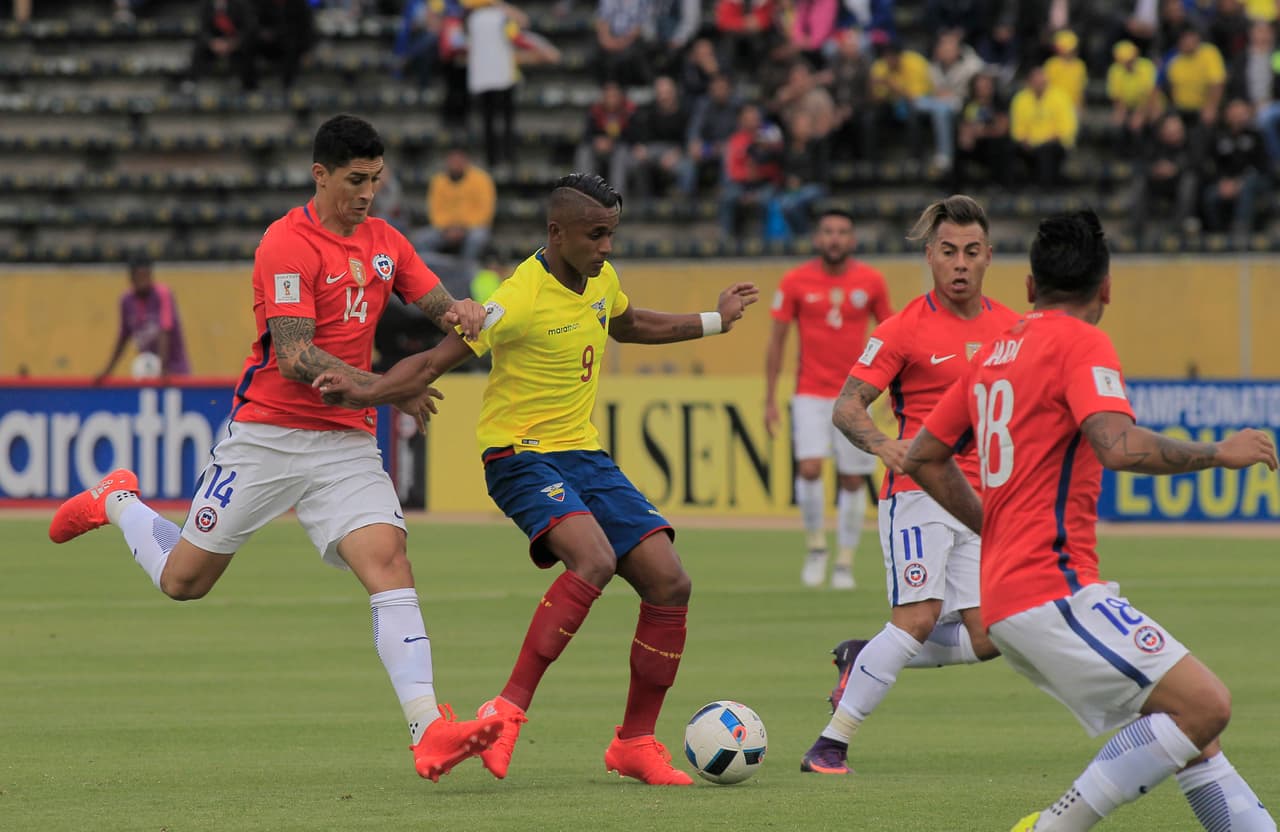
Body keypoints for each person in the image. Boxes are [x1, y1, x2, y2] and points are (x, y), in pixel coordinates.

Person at [50, 114, 503, 784]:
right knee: (184, 582)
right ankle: (117, 500)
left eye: (376, 179)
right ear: (319, 175)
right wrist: (385, 387)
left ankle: (428, 730)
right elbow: (294, 356)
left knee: (389, 562)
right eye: (355, 180)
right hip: (265, 436)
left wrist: (463, 310)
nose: (367, 193)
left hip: (344, 440)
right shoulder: (285, 245)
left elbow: (435, 303)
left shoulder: (385, 242)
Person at [312, 172, 760, 785]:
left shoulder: (601, 278)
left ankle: (635, 742)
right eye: (594, 235)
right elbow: (436, 358)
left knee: (670, 581)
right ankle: (508, 709)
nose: (606, 247)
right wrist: (364, 389)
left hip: (585, 456)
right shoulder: (518, 297)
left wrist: (714, 320)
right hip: (517, 455)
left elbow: (627, 324)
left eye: (612, 233)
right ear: (556, 232)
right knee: (594, 560)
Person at [904, 210, 1279, 831]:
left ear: (1028, 287)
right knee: (1206, 707)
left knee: (1183, 735)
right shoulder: (1082, 341)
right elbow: (1116, 443)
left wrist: (990, 525)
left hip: (1008, 596)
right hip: (1051, 588)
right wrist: (1217, 452)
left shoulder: (994, 351)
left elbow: (923, 455)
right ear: (1107, 288)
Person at [798, 195, 1020, 774]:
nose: (960, 263)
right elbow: (848, 406)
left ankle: (862, 657)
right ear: (930, 256)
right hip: (919, 495)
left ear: (989, 256)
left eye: (972, 252)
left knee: (991, 635)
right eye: (949, 251)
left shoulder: (1011, 330)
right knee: (918, 617)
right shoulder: (902, 329)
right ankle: (830, 744)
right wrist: (881, 444)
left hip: (980, 503)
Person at [765, 208, 891, 590]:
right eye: (828, 231)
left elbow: (892, 335)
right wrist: (769, 397)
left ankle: (845, 561)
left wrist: (891, 387)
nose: (834, 238)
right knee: (809, 469)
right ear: (818, 238)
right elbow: (777, 341)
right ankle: (817, 547)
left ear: (852, 240)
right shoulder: (795, 281)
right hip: (810, 392)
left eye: (842, 232)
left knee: (852, 478)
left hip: (855, 395)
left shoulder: (871, 281)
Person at [95, 257, 192, 382]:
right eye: (139, 277)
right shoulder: (126, 301)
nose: (143, 281)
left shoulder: (163, 294)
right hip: (147, 371)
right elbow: (123, 338)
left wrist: (162, 369)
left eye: (146, 276)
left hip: (173, 371)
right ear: (131, 278)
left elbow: (165, 330)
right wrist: (107, 371)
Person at [415, 145, 496, 265]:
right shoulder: (438, 181)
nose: (456, 163)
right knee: (421, 239)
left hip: (472, 227)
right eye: (452, 160)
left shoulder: (481, 179)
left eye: (459, 160)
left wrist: (462, 228)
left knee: (476, 238)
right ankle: (433, 274)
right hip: (446, 229)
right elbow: (435, 212)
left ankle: (465, 272)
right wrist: (448, 228)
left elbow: (485, 212)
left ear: (466, 161)